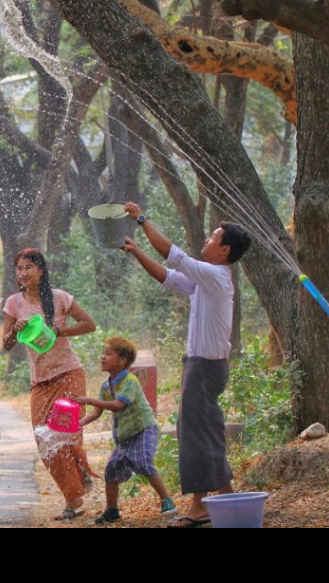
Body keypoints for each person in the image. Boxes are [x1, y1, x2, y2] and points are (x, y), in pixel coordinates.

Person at [121, 201, 251, 528]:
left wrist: (141, 218)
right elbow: (168, 275)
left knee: (194, 435)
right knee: (203, 430)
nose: (206, 240)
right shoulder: (208, 280)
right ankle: (225, 492)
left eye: (213, 238)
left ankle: (200, 507)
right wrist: (138, 253)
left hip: (205, 370)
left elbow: (172, 254)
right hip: (203, 367)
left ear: (225, 250)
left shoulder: (215, 275)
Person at [2, 248, 97, 520]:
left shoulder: (60, 298)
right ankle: (76, 486)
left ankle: (73, 501)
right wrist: (14, 331)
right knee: (45, 441)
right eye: (19, 268)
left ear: (41, 271)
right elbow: (6, 345)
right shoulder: (13, 304)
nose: (23, 273)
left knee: (65, 436)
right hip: (40, 382)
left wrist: (59, 330)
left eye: (28, 267)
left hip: (69, 374)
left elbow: (89, 324)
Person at [74, 337, 177, 524]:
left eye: (108, 354)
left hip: (144, 429)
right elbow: (97, 412)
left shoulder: (130, 381)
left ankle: (167, 500)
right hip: (124, 436)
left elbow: (118, 405)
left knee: (143, 461)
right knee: (111, 470)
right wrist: (79, 424)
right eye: (103, 353)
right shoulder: (106, 385)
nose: (102, 357)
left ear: (122, 361)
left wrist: (89, 400)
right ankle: (112, 511)